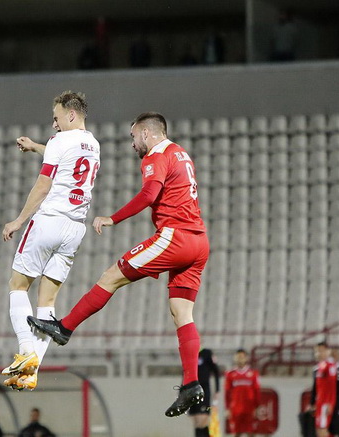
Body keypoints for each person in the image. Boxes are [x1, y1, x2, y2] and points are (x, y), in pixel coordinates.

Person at [28, 112, 209, 417]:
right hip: (199, 242)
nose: (132, 143)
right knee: (182, 313)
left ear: (147, 134)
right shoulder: (180, 153)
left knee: (111, 276)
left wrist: (113, 218)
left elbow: (150, 194)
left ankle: (65, 328)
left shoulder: (156, 156)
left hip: (174, 237)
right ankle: (192, 383)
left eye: (133, 136)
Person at [1, 90, 100, 391]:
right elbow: (65, 157)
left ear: (70, 114)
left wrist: (19, 220)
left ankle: (26, 351)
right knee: (47, 303)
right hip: (75, 229)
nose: (54, 124)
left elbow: (44, 185)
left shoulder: (59, 141)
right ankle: (32, 371)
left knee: (18, 286)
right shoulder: (93, 144)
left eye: (57, 117)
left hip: (49, 221)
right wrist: (35, 147)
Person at [224, 349, 260, 437]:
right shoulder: (230, 374)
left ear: (246, 358)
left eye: (242, 357)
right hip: (235, 408)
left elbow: (257, 391)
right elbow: (227, 393)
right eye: (238, 357)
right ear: (235, 358)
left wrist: (257, 407)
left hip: (249, 407)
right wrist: (227, 408)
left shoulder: (253, 374)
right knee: (236, 432)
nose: (240, 359)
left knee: (251, 432)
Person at [309, 342, 338, 437]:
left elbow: (332, 387)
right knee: (319, 431)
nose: (318, 354)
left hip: (325, 403)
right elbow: (317, 388)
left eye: (321, 351)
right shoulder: (319, 366)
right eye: (317, 351)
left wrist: (331, 403)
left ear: (327, 351)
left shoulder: (330, 366)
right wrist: (314, 403)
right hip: (319, 402)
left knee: (323, 430)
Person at [190, 349, 220, 437]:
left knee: (203, 419)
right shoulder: (190, 353)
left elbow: (216, 371)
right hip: (192, 390)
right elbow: (185, 373)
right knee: (196, 421)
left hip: (204, 390)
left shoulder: (207, 353)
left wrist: (217, 390)